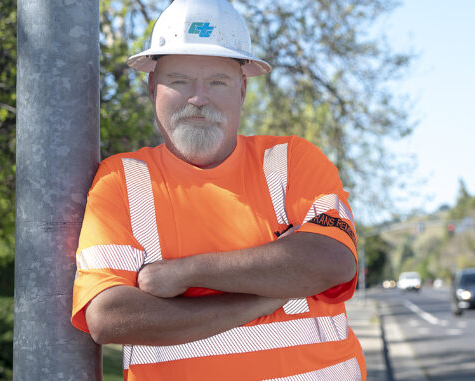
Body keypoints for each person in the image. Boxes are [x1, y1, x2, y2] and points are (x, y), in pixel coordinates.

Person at [71, 0, 365, 379]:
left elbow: (331, 262)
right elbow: (109, 316)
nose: (198, 98)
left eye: (217, 82)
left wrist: (182, 273)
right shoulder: (121, 181)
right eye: (179, 81)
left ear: (241, 90)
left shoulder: (291, 160)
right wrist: (266, 296)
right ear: (152, 88)